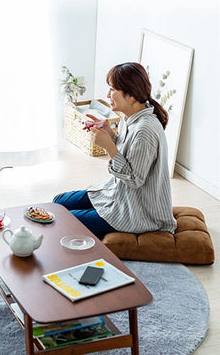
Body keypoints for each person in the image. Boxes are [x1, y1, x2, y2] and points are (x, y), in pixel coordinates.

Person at [53, 62, 176, 239]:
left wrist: (108, 146)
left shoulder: (144, 131)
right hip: (118, 194)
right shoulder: (130, 117)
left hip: (137, 212)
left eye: (112, 89)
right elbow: (129, 152)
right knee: (58, 202)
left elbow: (134, 179)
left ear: (131, 95)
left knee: (64, 219)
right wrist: (110, 133)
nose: (108, 95)